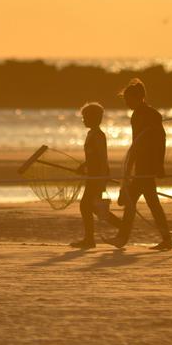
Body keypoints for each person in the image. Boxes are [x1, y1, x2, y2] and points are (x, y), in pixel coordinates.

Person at [108, 79, 172, 251]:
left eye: (129, 100)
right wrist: (133, 166)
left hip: (147, 165)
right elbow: (140, 142)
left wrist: (159, 165)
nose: (127, 103)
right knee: (143, 202)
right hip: (144, 165)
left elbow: (158, 140)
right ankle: (165, 239)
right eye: (125, 100)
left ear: (139, 97)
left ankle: (123, 237)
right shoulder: (142, 114)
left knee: (135, 201)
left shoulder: (147, 115)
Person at [70, 101, 122, 249]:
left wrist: (101, 178)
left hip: (97, 176)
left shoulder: (99, 135)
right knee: (95, 208)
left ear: (94, 118)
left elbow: (102, 157)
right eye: (83, 117)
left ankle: (89, 240)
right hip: (92, 175)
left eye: (86, 117)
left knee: (85, 206)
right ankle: (123, 226)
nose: (83, 120)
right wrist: (84, 166)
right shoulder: (90, 134)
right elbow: (91, 157)